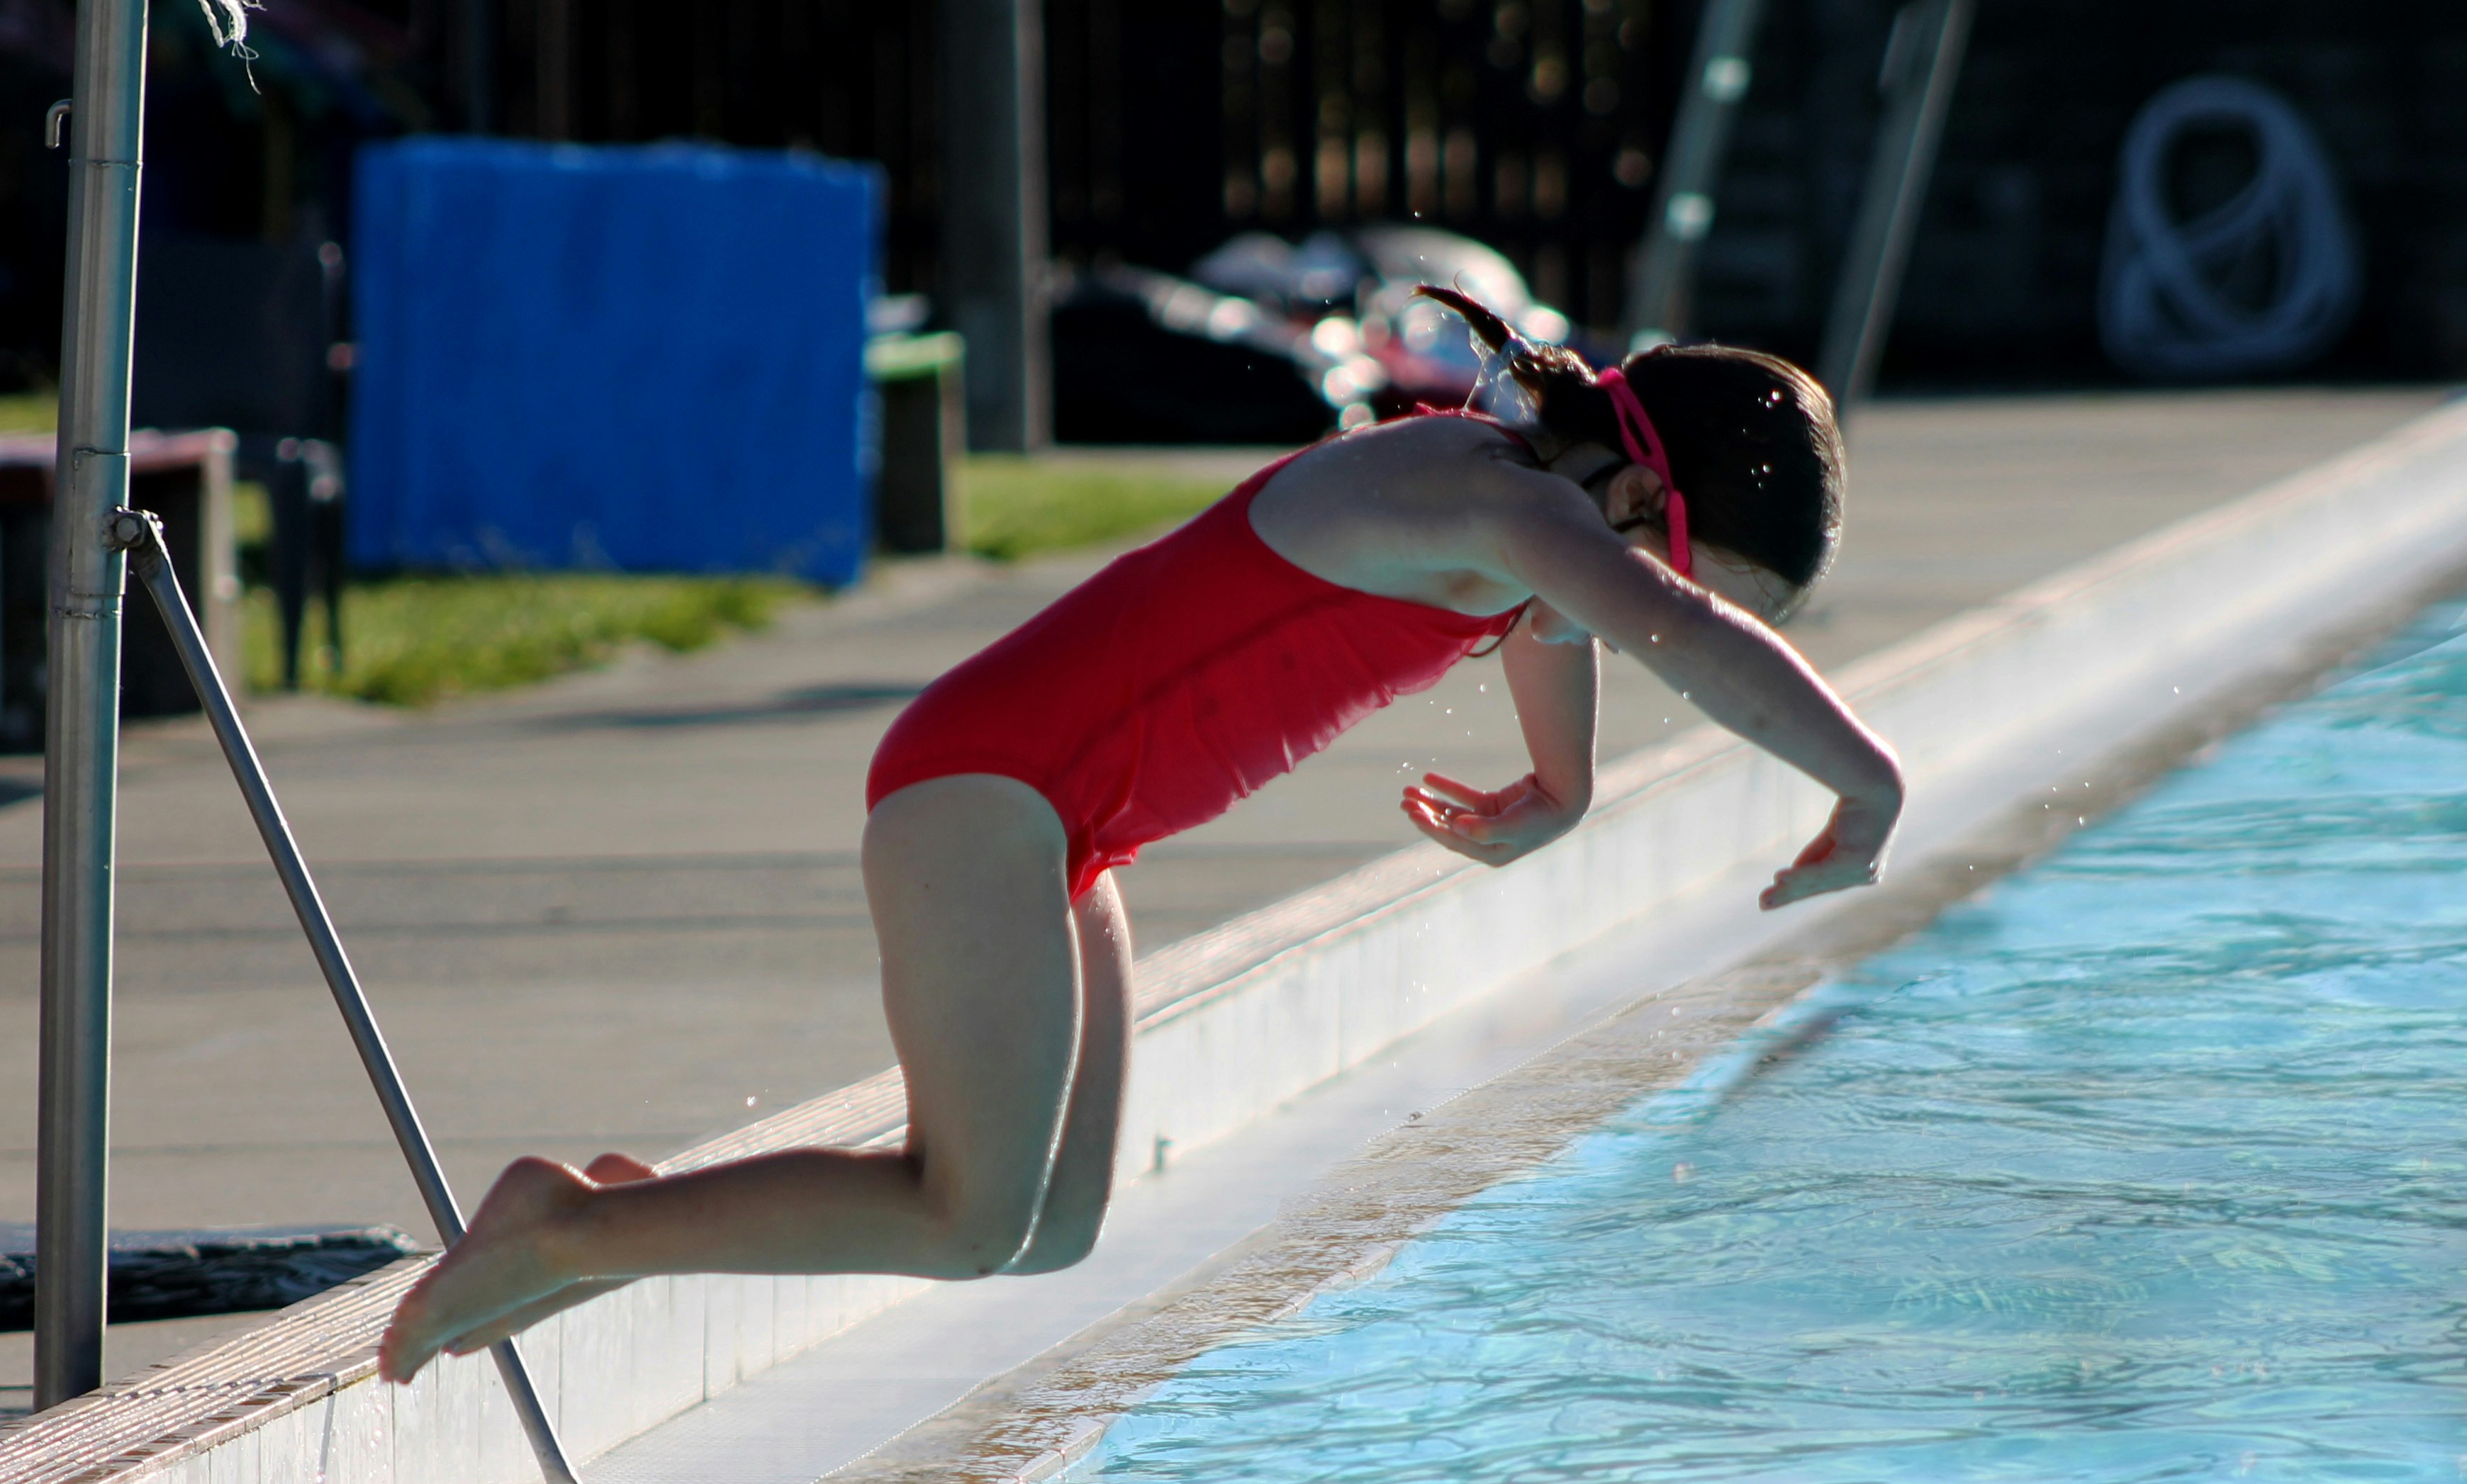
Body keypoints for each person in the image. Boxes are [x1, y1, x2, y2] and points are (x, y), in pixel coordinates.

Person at [376, 291, 1905, 1384]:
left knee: (1048, 1230)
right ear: (1639, 493)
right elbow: (1671, 633)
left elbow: (1571, 618)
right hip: (988, 789)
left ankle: (638, 1222)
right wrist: (1866, 784)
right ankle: (567, 1229)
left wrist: (1557, 787)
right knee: (967, 1218)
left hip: (1065, 830)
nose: (1660, 624)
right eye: (1688, 580)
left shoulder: (1528, 531)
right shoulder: (1477, 488)